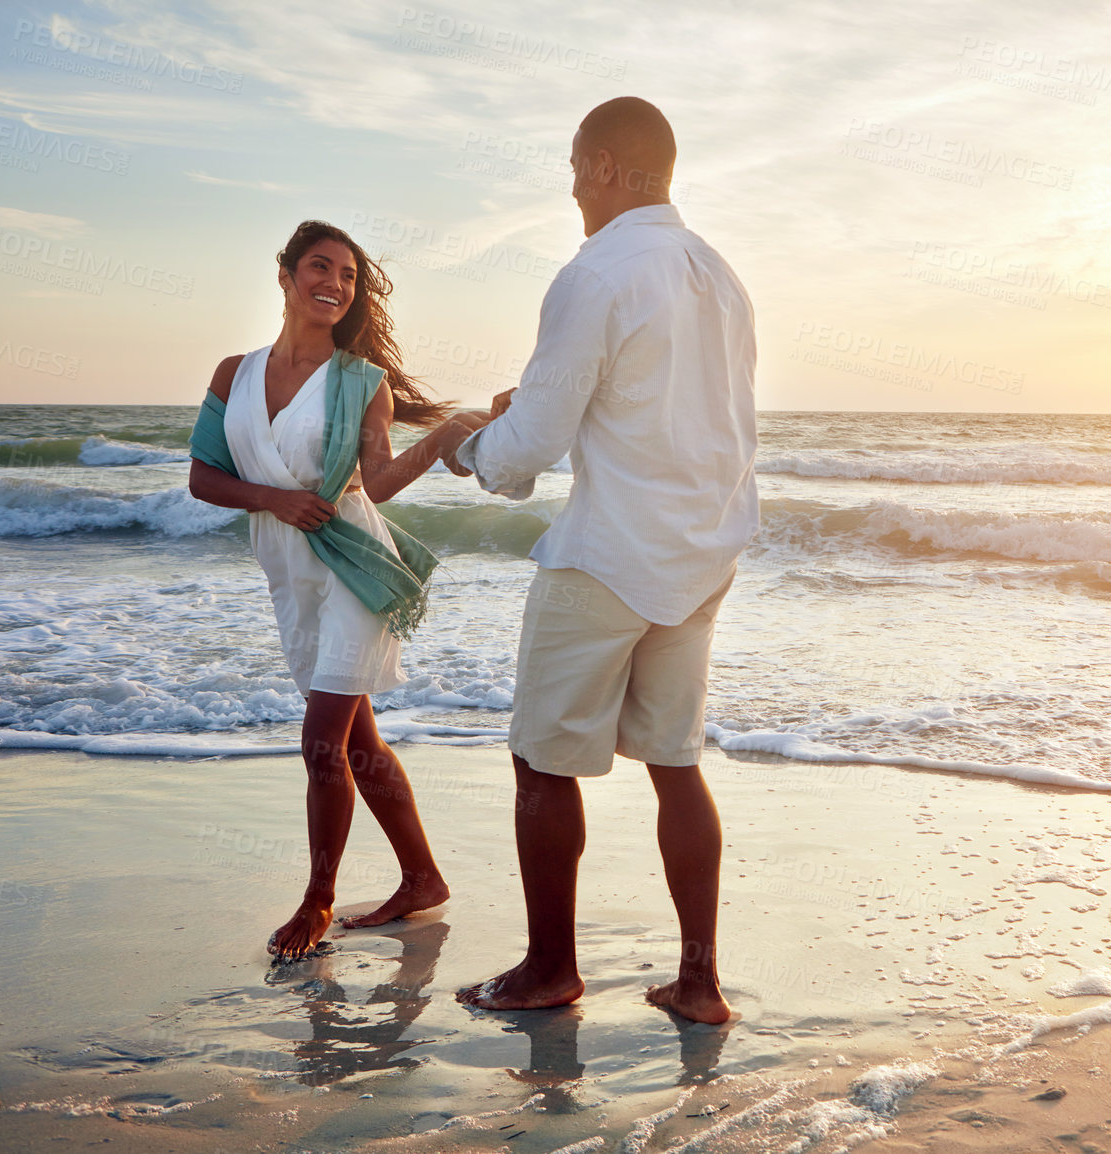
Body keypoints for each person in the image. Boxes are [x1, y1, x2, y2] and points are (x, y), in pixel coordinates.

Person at [440, 97, 757, 1023]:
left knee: (541, 762)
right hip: (700, 558)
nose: (573, 185)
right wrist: (540, 403)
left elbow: (529, 444)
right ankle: (698, 982)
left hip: (608, 555)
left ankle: (550, 969)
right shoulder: (721, 276)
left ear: (612, 166)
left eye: (578, 166)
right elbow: (691, 415)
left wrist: (471, 443)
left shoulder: (595, 272)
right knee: (675, 763)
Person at [188, 220, 488, 961]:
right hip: (290, 575)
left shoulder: (362, 381)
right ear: (286, 275)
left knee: (323, 739)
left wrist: (442, 435)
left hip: (354, 566)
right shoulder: (234, 374)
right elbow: (202, 476)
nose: (336, 283)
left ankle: (316, 902)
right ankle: (421, 877)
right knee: (358, 741)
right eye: (321, 267)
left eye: (349, 275)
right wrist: (273, 498)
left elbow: (377, 484)